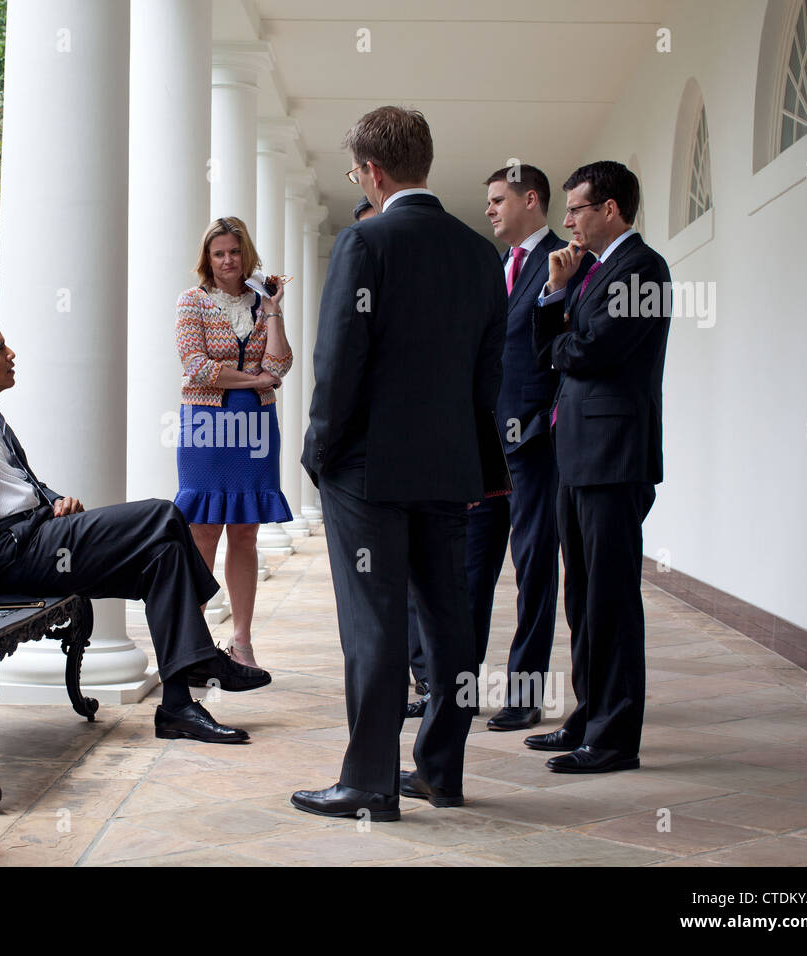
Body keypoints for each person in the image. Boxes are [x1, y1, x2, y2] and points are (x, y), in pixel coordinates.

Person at [291, 106, 505, 821]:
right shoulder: (481, 254)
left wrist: (319, 449)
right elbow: (488, 375)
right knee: (448, 622)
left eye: (356, 173)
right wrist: (477, 466)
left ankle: (369, 786)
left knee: (374, 625)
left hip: (368, 470)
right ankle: (441, 771)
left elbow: (338, 362)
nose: (360, 182)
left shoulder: (366, 242)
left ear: (373, 173)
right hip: (448, 468)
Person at [0, 317, 271, 745]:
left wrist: (53, 499)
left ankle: (178, 707)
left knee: (163, 558)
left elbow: (13, 481)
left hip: (40, 532)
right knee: (163, 515)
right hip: (8, 553)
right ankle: (200, 659)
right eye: (0, 350)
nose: (11, 355)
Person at [527, 161, 670, 773]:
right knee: (583, 598)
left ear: (609, 209)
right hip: (578, 454)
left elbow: (590, 351)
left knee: (611, 599)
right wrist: (558, 293)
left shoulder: (644, 269)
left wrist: (561, 342)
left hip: (614, 457)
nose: (568, 224)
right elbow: (555, 351)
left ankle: (614, 739)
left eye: (576, 210)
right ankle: (588, 717)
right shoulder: (593, 271)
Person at [452, 163, 565, 732]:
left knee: (533, 570)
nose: (491, 209)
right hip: (484, 448)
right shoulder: (497, 269)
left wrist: (544, 422)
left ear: (531, 199)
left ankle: (525, 693)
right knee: (471, 572)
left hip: (535, 447)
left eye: (499, 199)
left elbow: (561, 355)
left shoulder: (567, 265)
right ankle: (462, 692)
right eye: (489, 200)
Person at [174, 216, 292, 669]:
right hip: (205, 424)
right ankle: (194, 643)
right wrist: (257, 379)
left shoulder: (262, 305)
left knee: (245, 531)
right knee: (203, 531)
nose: (228, 260)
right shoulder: (191, 302)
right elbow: (197, 366)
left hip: (257, 428)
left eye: (235, 251)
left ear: (247, 255)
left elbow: (281, 364)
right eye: (219, 252)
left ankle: (242, 642)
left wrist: (275, 307)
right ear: (208, 257)